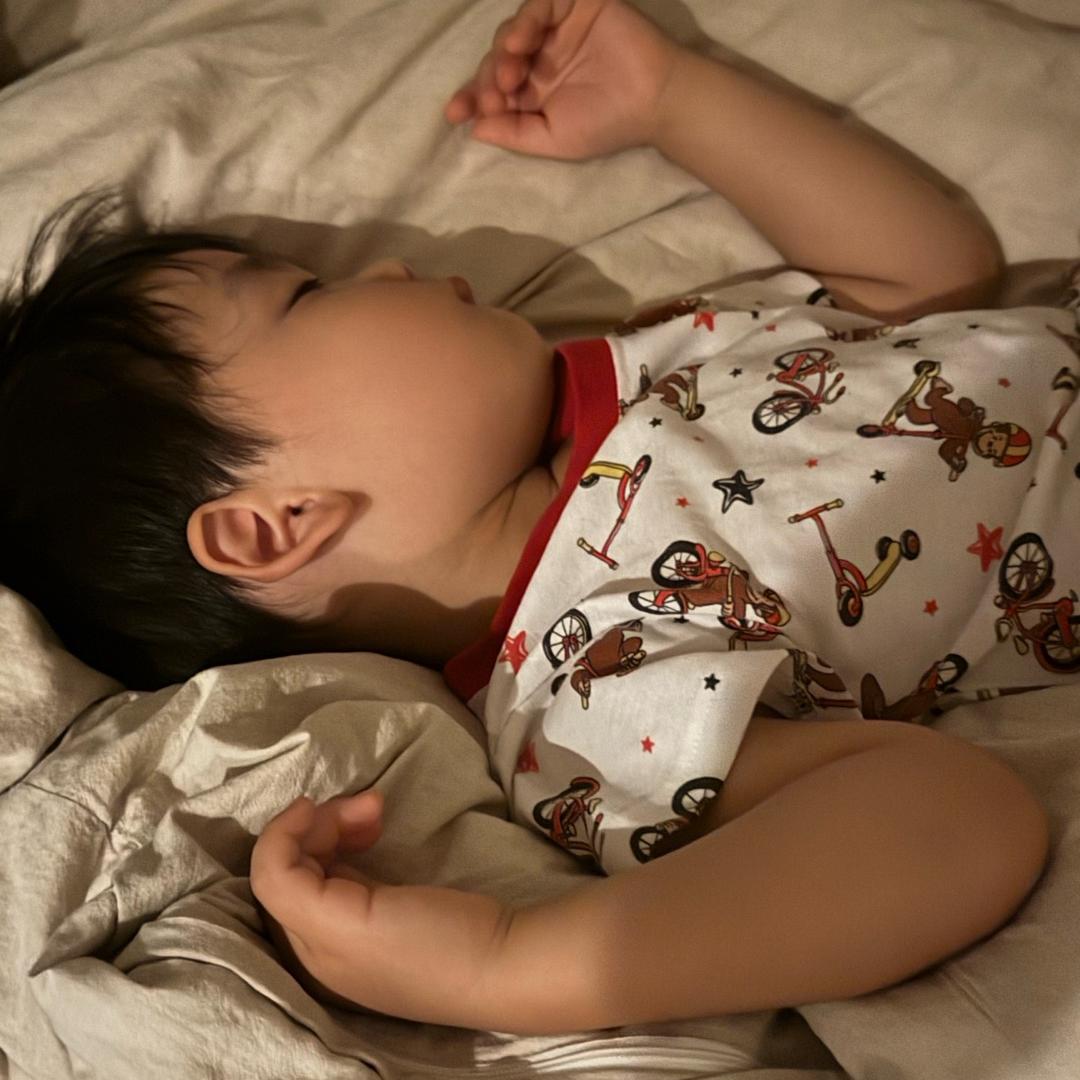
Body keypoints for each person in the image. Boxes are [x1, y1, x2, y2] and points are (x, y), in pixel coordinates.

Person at [1, 0, 1073, 1034]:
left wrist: (674, 99)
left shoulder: (640, 364)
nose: (389, 267)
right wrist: (513, 965)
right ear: (276, 524)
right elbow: (957, 821)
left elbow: (931, 280)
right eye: (307, 296)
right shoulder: (583, 702)